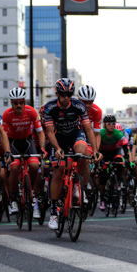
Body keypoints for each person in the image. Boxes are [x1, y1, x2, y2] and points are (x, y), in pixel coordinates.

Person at [42, 78, 98, 229]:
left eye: (69, 94)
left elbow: (87, 129)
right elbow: (49, 132)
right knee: (58, 171)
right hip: (58, 138)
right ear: (57, 93)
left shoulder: (79, 106)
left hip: (75, 134)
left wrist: (96, 151)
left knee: (82, 152)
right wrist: (57, 148)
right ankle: (54, 213)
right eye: (62, 94)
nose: (66, 97)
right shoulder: (50, 107)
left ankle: (76, 184)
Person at [2, 87, 45, 217]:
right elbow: (4, 136)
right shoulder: (6, 114)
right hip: (12, 142)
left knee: (34, 165)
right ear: (11, 103)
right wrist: (7, 152)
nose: (19, 105)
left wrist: (42, 149)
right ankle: (14, 199)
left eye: (21, 102)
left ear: (25, 101)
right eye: (16, 103)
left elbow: (40, 132)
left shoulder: (31, 111)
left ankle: (30, 190)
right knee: (14, 168)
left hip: (27, 142)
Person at [96, 114, 128, 211]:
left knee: (120, 162)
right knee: (103, 175)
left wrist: (127, 159)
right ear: (105, 124)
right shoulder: (101, 133)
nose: (111, 125)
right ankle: (102, 198)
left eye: (113, 123)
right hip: (103, 154)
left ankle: (117, 181)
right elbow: (96, 147)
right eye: (109, 123)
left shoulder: (118, 133)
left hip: (114, 153)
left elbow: (125, 147)